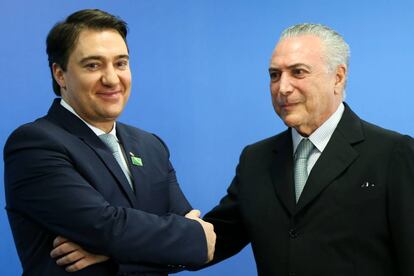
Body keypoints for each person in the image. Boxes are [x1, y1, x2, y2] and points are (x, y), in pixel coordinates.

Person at [49, 23, 414, 275]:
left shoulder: (393, 154)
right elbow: (212, 239)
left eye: (298, 72)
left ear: (338, 76)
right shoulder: (256, 160)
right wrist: (117, 251)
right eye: (274, 75)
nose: (282, 87)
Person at [4, 9, 215, 276]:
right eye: (93, 65)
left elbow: (200, 249)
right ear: (60, 74)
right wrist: (169, 241)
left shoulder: (151, 146)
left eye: (121, 63)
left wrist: (112, 248)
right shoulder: (34, 144)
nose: (112, 79)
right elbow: (105, 228)